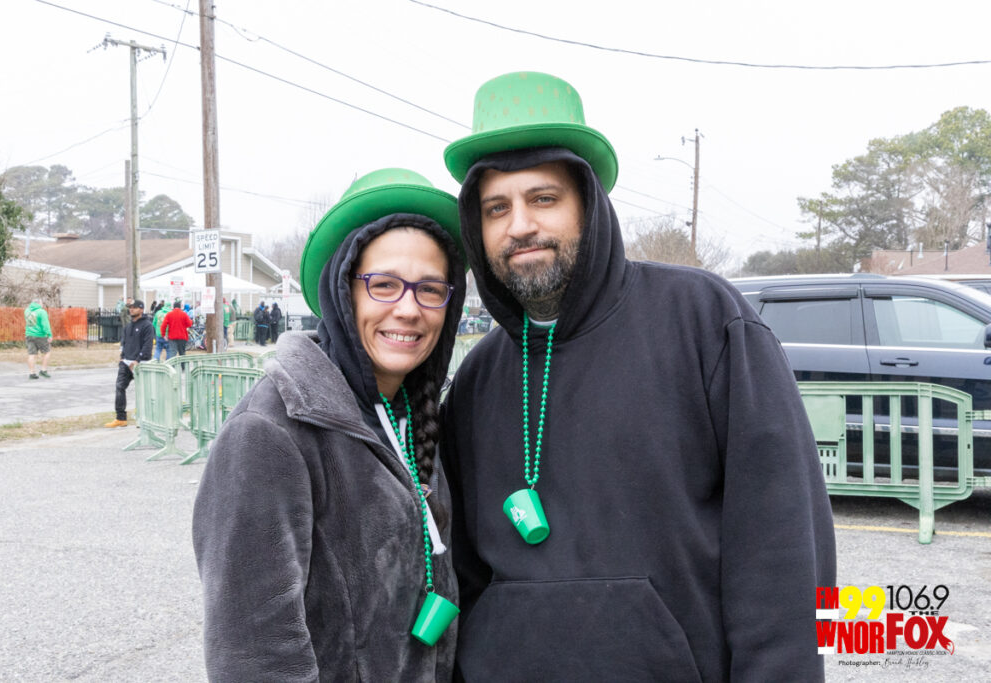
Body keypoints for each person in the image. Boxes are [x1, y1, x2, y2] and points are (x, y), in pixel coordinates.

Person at [439, 72, 837, 682]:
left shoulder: (705, 321)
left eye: (543, 199)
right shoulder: (476, 379)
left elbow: (785, 550)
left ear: (589, 205)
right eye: (497, 208)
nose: (519, 225)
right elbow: (463, 574)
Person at [193, 168, 467, 680]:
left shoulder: (415, 413)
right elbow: (254, 657)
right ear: (344, 292)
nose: (409, 309)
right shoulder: (269, 432)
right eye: (384, 285)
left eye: (430, 289)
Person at [104, 299, 153, 428]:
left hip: (140, 364)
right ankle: (121, 418)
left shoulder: (147, 325)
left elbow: (147, 346)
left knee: (143, 392)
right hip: (126, 362)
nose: (131, 309)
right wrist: (122, 357)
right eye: (130, 307)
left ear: (141, 309)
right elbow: (124, 342)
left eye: (134, 307)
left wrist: (138, 360)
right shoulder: (128, 326)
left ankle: (144, 418)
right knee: (119, 387)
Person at [24, 298, 52, 379]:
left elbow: (30, 323)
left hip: (29, 335)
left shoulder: (27, 311)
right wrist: (49, 334)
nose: (42, 305)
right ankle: (43, 370)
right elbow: (45, 324)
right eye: (42, 303)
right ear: (39, 303)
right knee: (47, 352)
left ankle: (32, 373)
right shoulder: (41, 312)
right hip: (40, 335)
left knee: (31, 354)